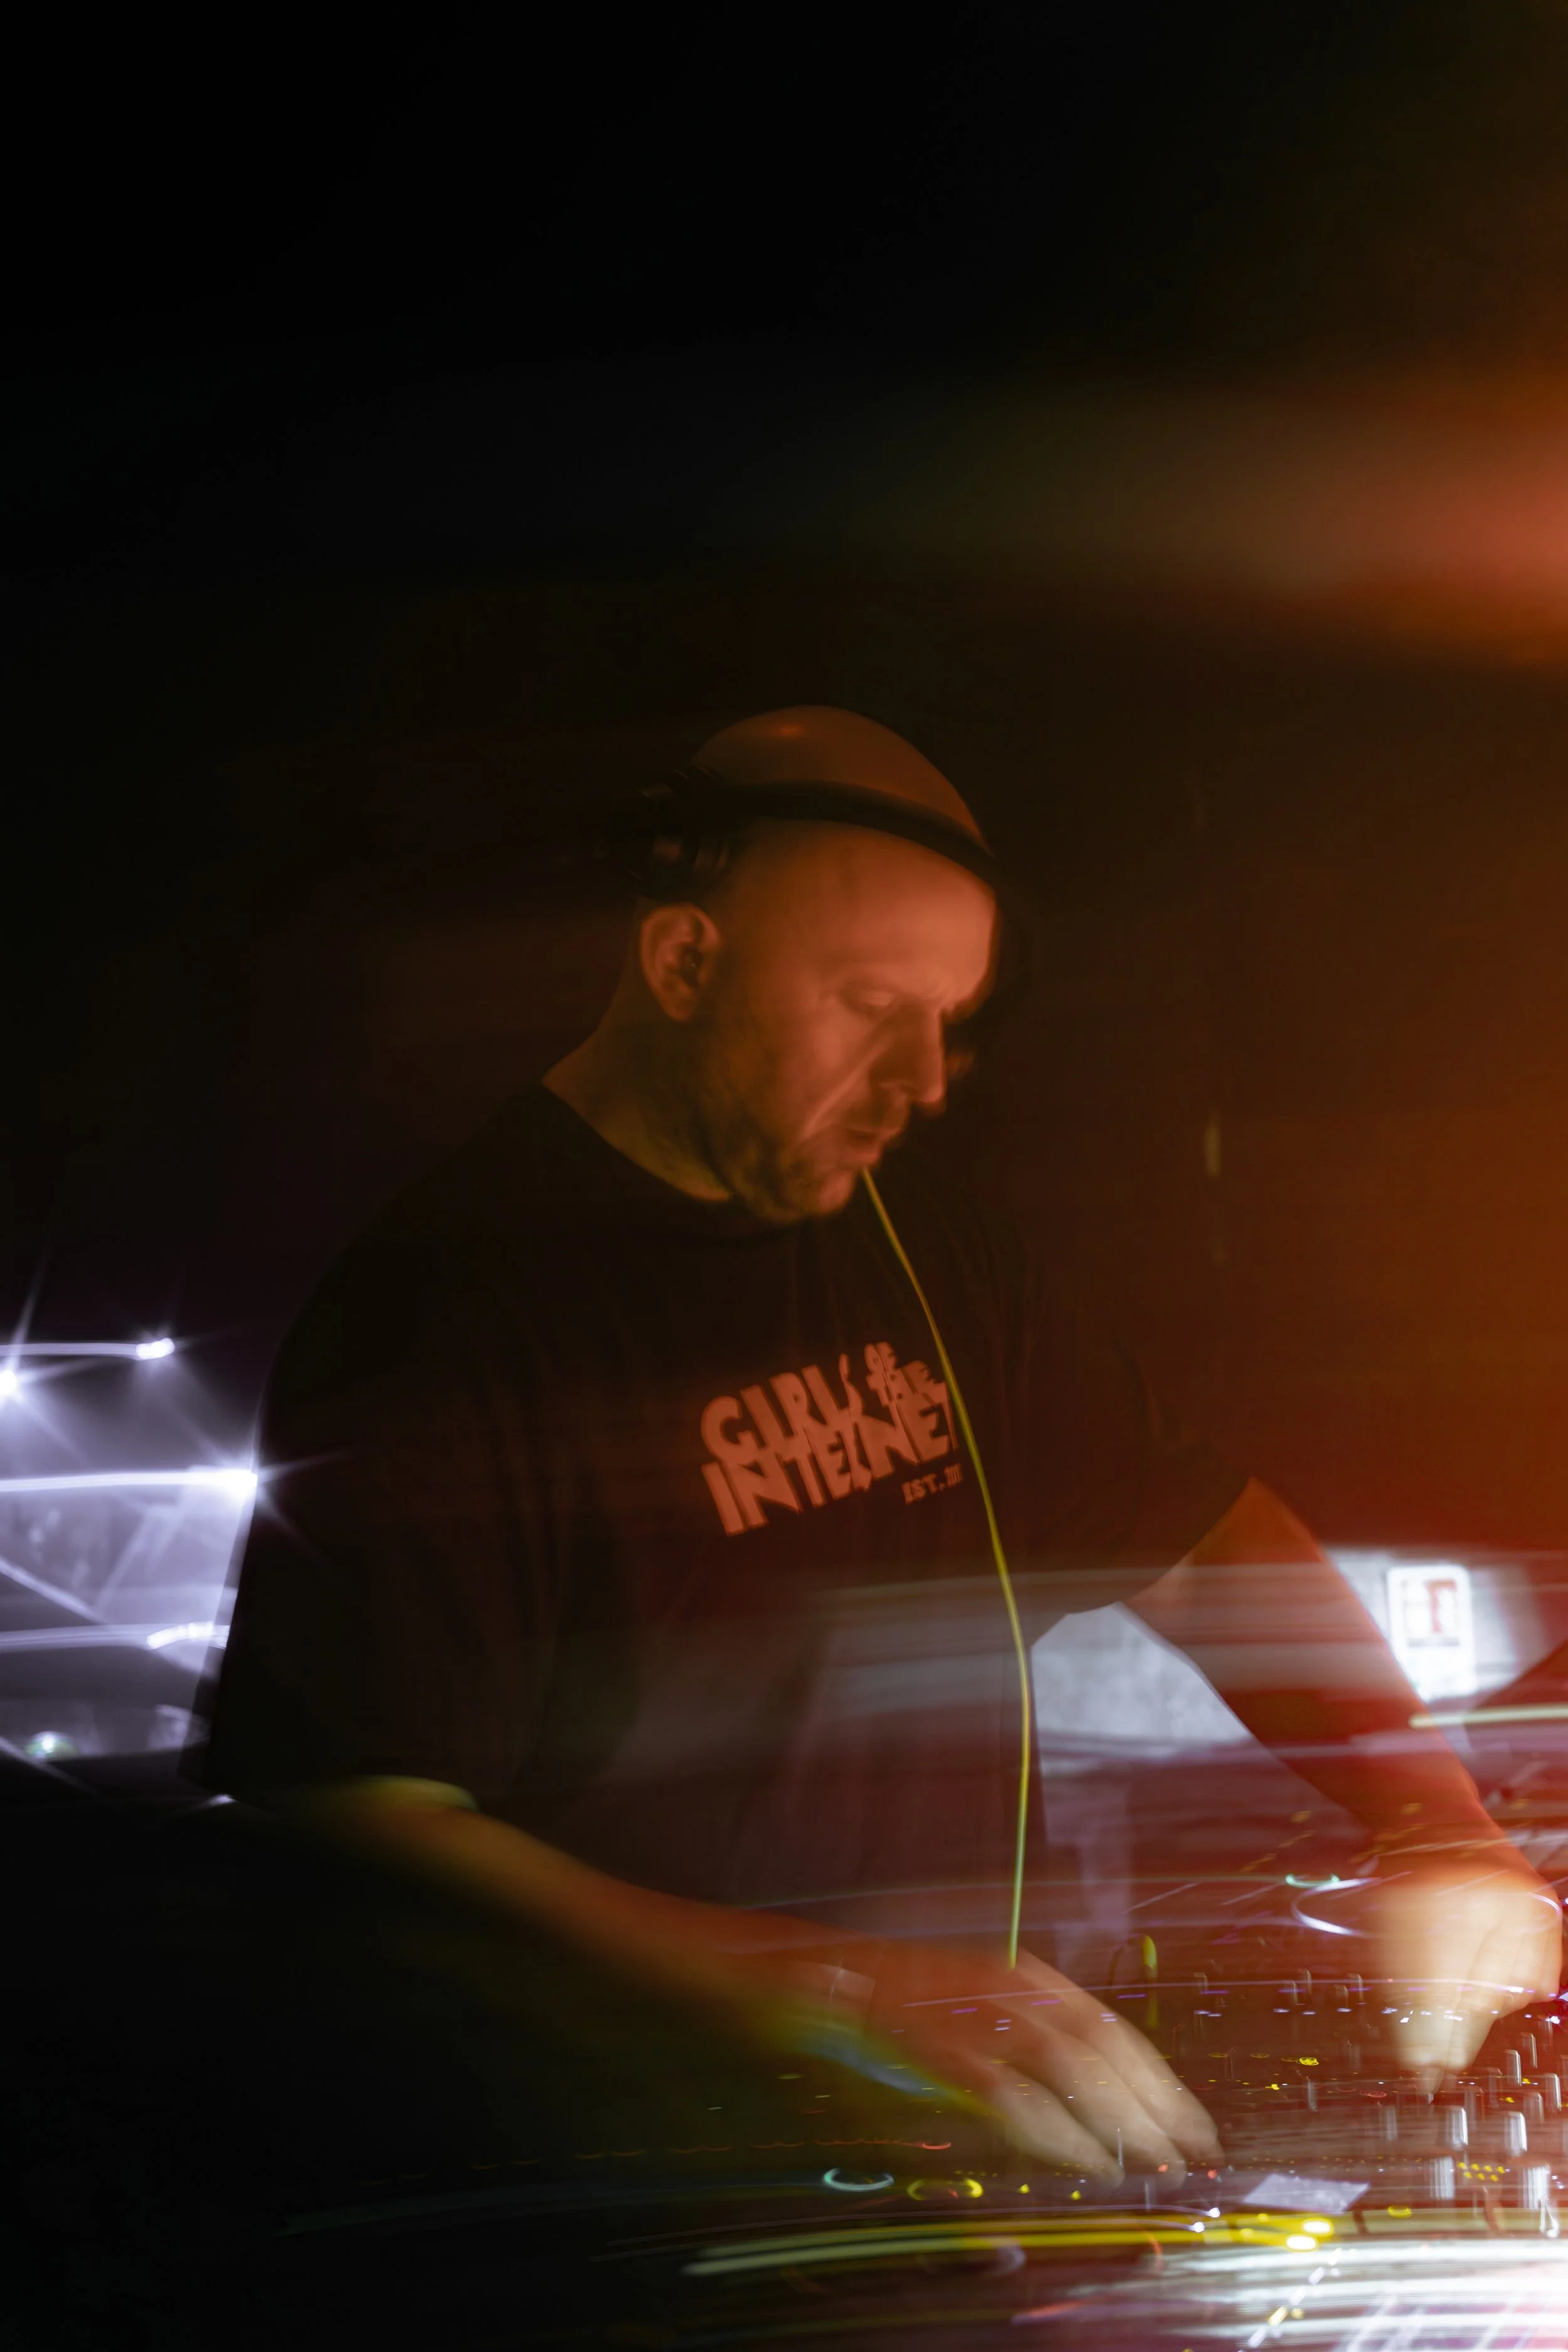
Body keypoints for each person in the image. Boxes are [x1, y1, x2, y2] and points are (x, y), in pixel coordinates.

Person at [203, 706, 1559, 2183]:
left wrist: (1431, 1821)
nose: (924, 1081)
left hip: (953, 2163)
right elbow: (364, 1817)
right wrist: (833, 1996)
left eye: (947, 1018)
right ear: (683, 962)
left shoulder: (932, 1255)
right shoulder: (443, 1312)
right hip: (617, 2206)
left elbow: (1198, 1545)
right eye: (868, 1005)